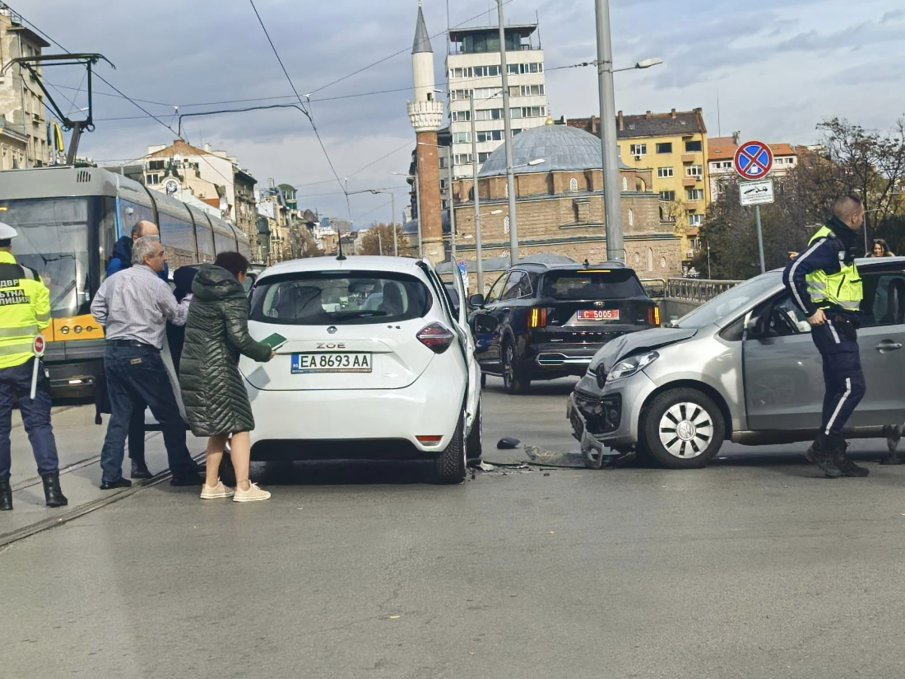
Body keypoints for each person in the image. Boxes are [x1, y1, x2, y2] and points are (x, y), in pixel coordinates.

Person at [90, 236, 202, 490]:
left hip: (114, 352)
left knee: (120, 417)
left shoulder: (113, 280)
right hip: (143, 354)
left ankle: (110, 475)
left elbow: (96, 310)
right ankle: (181, 471)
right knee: (169, 415)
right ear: (148, 258)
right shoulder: (156, 284)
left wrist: (115, 326)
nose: (165, 258)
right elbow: (178, 318)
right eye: (161, 254)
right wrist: (189, 298)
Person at [783, 195, 868, 478]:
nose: (864, 218)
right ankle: (823, 447)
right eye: (863, 214)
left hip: (841, 323)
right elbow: (793, 272)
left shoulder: (840, 241)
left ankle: (837, 454)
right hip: (831, 321)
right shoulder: (830, 243)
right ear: (854, 217)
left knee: (837, 388)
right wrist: (809, 310)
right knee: (851, 387)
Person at [179, 252, 274, 503]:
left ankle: (211, 484)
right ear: (240, 275)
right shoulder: (232, 294)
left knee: (219, 426)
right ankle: (243, 486)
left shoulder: (201, 291)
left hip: (195, 365)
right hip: (219, 367)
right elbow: (239, 337)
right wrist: (265, 352)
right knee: (241, 425)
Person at [0, 222, 67, 511]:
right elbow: (44, 321)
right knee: (39, 425)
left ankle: (3, 496)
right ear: (10, 247)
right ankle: (52, 490)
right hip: (29, 366)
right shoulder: (30, 277)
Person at [103, 219, 167, 480]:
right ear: (136, 238)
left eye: (156, 238)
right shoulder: (119, 266)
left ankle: (113, 473)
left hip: (122, 349)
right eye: (149, 238)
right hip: (141, 348)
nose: (154, 244)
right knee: (164, 410)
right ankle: (170, 465)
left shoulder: (156, 260)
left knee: (125, 413)